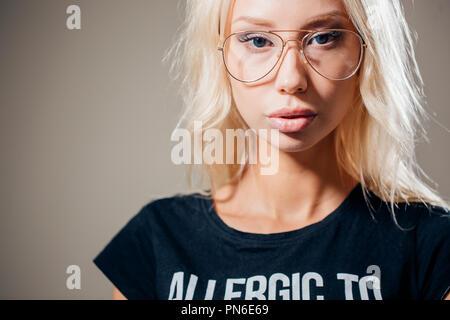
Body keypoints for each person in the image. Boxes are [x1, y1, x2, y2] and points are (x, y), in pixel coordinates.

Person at [93, 0, 450, 300]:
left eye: (323, 38)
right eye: (258, 41)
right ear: (221, 56)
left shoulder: (430, 244)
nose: (291, 79)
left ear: (366, 50)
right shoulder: (158, 240)